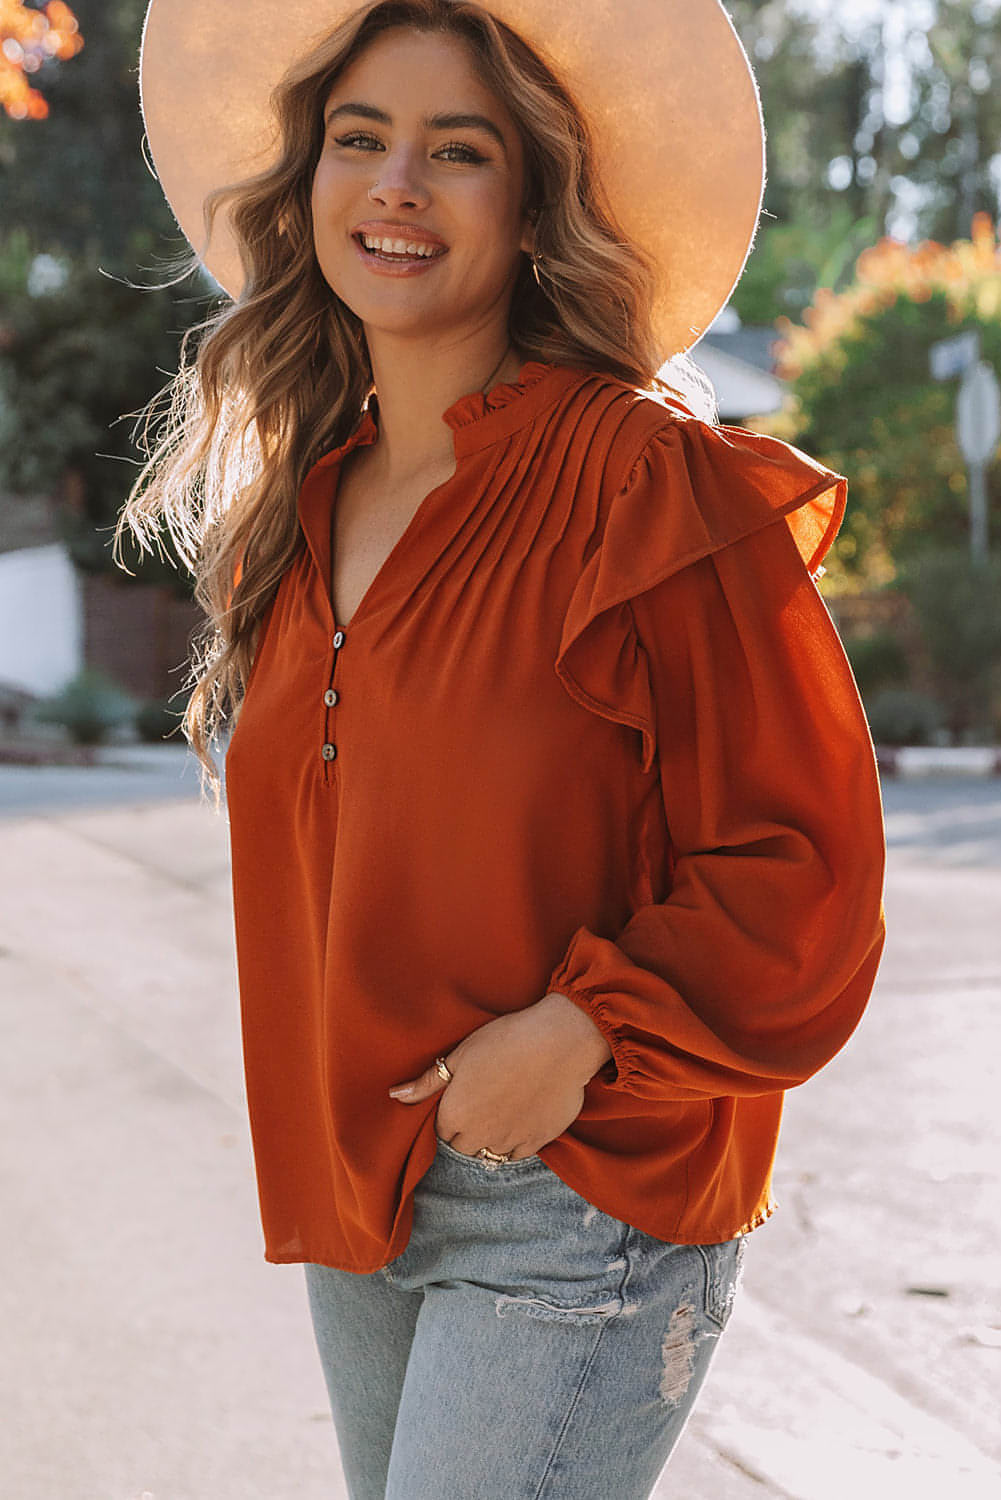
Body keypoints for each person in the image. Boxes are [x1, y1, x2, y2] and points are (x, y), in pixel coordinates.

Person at [127, 1, 887, 1496]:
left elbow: (805, 869)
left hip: (578, 1189)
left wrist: (585, 1029)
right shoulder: (297, 510)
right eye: (360, 140)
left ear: (533, 208)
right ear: (308, 186)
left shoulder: (641, 478)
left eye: (456, 152)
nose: (396, 185)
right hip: (361, 1201)